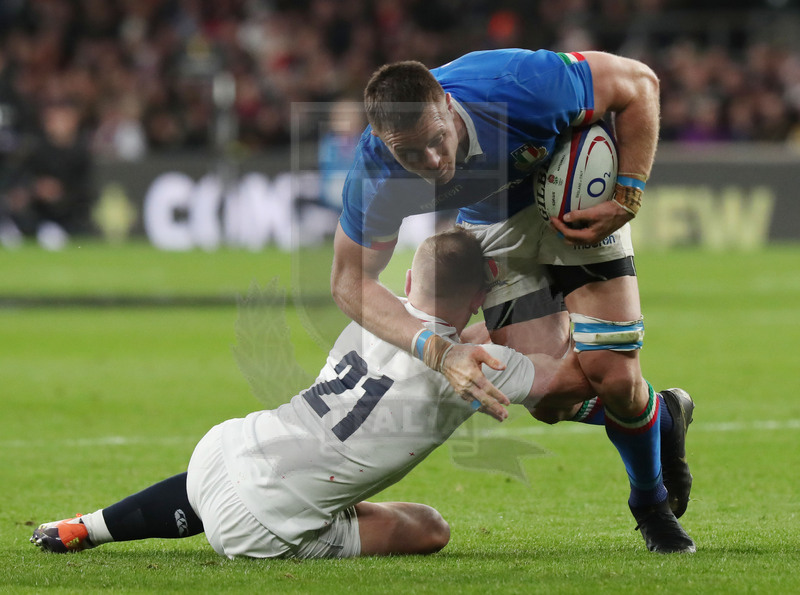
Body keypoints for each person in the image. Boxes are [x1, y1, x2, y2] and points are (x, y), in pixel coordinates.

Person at [330, 49, 695, 553]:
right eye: (410, 154)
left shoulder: (521, 86)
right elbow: (350, 282)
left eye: (438, 140)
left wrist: (628, 193)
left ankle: (650, 505)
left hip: (578, 199)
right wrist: (437, 349)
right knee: (548, 397)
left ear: (448, 105)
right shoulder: (374, 174)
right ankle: (663, 416)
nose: (432, 163)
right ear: (383, 143)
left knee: (614, 376)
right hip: (495, 221)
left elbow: (641, 83)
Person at [32, 228, 582, 559]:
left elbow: (440, 328)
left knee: (261, 472)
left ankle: (88, 527)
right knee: (429, 527)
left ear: (409, 284)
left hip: (224, 449)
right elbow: (563, 376)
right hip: (260, 527)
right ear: (478, 302)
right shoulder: (474, 367)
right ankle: (314, 510)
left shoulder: (369, 320)